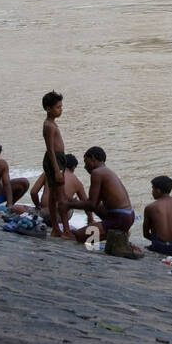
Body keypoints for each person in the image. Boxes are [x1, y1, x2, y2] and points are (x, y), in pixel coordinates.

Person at [71, 147, 136, 242]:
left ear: (93, 158)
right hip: (128, 215)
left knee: (77, 236)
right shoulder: (106, 171)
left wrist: (70, 204)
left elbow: (91, 204)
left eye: (86, 162)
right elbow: (95, 204)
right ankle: (121, 230)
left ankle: (118, 230)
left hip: (120, 218)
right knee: (96, 206)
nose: (85, 167)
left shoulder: (96, 173)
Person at [40, 90, 70, 239]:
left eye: (61, 107)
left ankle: (57, 228)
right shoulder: (49, 126)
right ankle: (65, 229)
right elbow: (50, 149)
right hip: (54, 160)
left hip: (58, 159)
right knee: (60, 196)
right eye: (58, 107)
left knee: (53, 195)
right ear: (48, 109)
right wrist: (57, 170)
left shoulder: (52, 123)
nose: (61, 110)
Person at [31, 152, 87, 228]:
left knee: (17, 209)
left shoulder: (49, 173)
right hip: (64, 217)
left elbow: (33, 192)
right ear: (73, 168)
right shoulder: (77, 181)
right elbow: (86, 204)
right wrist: (90, 219)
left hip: (45, 214)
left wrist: (37, 205)